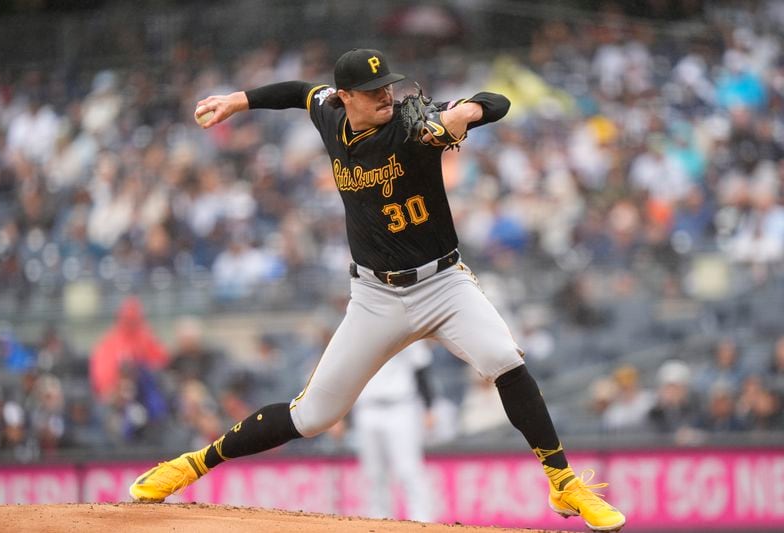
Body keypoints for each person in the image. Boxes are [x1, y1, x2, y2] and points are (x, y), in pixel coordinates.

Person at [129, 48, 625, 532]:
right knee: (313, 415)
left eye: (387, 84)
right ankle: (194, 464)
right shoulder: (329, 114)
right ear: (344, 97)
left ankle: (562, 481)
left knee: (504, 359)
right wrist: (240, 100)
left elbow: (498, 102)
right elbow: (298, 92)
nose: (386, 95)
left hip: (443, 284)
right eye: (371, 91)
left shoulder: (414, 127)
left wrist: (465, 113)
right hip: (375, 297)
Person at [349, 340, 435, 522]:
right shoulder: (357, 328)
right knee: (373, 473)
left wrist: (428, 407)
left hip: (401, 406)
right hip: (367, 408)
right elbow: (346, 375)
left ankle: (422, 522)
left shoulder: (406, 328)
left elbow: (421, 370)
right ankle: (378, 521)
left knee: (408, 469)